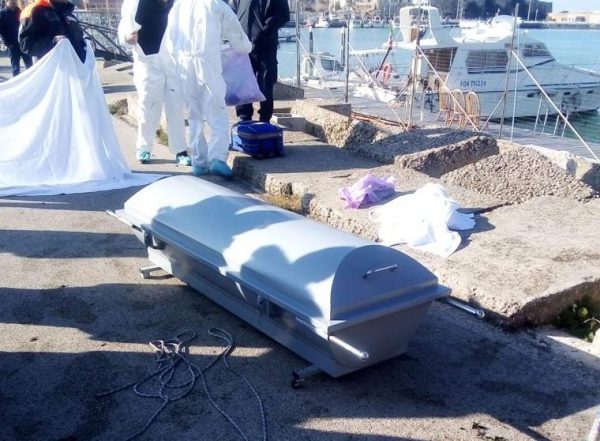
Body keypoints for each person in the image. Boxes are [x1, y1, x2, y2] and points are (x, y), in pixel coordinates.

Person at [162, 0, 252, 178]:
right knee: (217, 112)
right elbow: (238, 36)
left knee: (194, 115)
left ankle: (199, 161)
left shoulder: (178, 6)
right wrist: (247, 47)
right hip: (207, 63)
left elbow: (169, 42)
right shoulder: (215, 4)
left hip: (183, 65)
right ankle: (217, 157)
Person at [118, 0, 189, 165]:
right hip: (147, 61)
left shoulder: (179, 3)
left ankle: (180, 149)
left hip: (174, 62)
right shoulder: (135, 2)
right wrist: (127, 37)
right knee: (148, 105)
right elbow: (125, 22)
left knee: (176, 106)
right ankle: (143, 147)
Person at [229, 0, 289, 123]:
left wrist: (266, 29)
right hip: (243, 46)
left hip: (266, 45)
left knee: (266, 83)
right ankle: (244, 118)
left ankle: (265, 119)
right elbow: (232, 11)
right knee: (243, 83)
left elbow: (284, 14)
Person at [18, 0, 86, 63]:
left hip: (75, 66)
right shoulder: (34, 10)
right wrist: (53, 42)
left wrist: (85, 42)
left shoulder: (66, 10)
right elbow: (26, 45)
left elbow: (77, 35)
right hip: (51, 67)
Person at [0, 0, 32, 76]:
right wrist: (7, 43)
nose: (14, 3)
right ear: (7, 2)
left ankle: (31, 80)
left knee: (29, 65)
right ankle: (16, 80)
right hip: (12, 44)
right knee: (15, 68)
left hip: (23, 42)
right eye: (12, 1)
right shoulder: (2, 14)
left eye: (15, 1)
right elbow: (1, 30)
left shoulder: (20, 11)